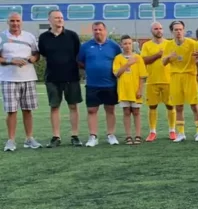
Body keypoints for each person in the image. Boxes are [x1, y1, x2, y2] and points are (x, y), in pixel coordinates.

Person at [37, 9, 82, 147]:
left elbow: (77, 54)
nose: (60, 20)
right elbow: (44, 54)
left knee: (73, 106)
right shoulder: (43, 38)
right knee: (54, 106)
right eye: (56, 18)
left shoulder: (72, 36)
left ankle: (75, 136)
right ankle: (56, 136)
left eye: (61, 17)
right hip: (52, 78)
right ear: (49, 20)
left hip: (71, 77)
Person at [78, 21, 123, 146]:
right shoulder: (85, 46)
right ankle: (93, 136)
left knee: (110, 109)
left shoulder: (114, 46)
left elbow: (120, 61)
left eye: (100, 29)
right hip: (92, 84)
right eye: (95, 30)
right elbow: (80, 62)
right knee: (92, 110)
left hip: (110, 84)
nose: (97, 32)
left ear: (105, 31)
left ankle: (111, 135)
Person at [1, 12, 41, 152]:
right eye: (12, 21)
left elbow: (37, 54)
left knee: (27, 110)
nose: (15, 23)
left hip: (28, 77)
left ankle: (29, 138)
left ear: (21, 22)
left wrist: (33, 59)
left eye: (18, 21)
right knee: (11, 111)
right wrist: (11, 60)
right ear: (8, 22)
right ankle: (11, 140)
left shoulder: (29, 36)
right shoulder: (2, 36)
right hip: (8, 79)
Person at [164, 20, 198, 142]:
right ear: (172, 32)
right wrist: (169, 57)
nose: (178, 32)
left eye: (180, 29)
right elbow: (163, 62)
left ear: (184, 30)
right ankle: (181, 133)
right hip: (175, 76)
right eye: (176, 30)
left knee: (194, 105)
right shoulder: (169, 45)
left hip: (189, 76)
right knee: (178, 107)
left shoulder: (192, 43)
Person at [140, 22, 175, 142]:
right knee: (152, 106)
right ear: (152, 31)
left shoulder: (170, 44)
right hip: (152, 80)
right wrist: (158, 55)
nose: (159, 30)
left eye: (160, 28)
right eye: (156, 28)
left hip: (168, 80)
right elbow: (144, 60)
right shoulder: (146, 45)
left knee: (170, 106)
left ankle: (172, 130)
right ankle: (152, 132)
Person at [113, 35, 147, 145]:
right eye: (125, 44)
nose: (127, 46)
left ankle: (138, 135)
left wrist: (140, 90)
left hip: (135, 89)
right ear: (121, 45)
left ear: (132, 44)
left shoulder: (138, 58)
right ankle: (128, 136)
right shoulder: (118, 58)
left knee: (136, 112)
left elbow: (142, 76)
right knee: (126, 111)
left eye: (129, 43)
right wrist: (127, 64)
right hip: (124, 90)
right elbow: (117, 73)